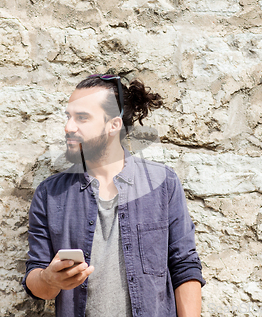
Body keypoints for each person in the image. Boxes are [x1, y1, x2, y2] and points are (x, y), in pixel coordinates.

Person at [22, 74, 205, 317]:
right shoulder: (50, 194)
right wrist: (49, 278)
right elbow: (37, 282)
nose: (69, 127)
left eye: (82, 118)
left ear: (113, 125)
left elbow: (185, 267)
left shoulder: (163, 184)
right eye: (68, 117)